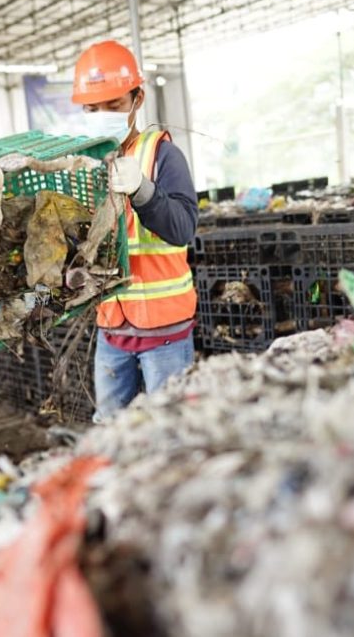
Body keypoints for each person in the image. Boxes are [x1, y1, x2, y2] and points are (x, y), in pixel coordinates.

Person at [72, 40, 199, 423]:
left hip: (165, 333)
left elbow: (183, 228)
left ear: (137, 98)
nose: (103, 116)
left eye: (114, 105)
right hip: (112, 329)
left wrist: (143, 191)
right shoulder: (85, 164)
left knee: (169, 430)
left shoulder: (161, 154)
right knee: (111, 429)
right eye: (93, 109)